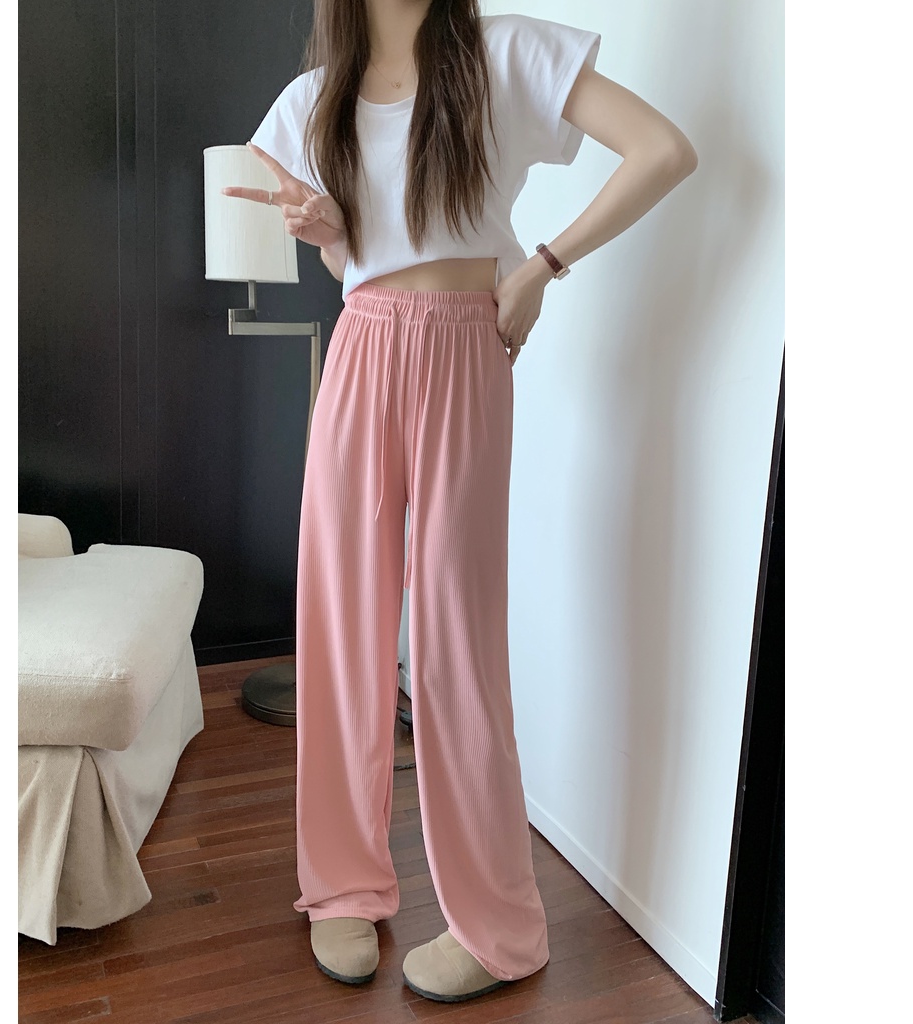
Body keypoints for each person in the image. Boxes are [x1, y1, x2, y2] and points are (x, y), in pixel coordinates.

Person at [222, 0, 696, 1004]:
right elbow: (349, 266)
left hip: (464, 350)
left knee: (454, 639)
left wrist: (543, 266)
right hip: (362, 348)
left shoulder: (503, 52)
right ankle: (342, 884)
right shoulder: (316, 98)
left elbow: (663, 150)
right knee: (341, 625)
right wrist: (331, 232)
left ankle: (496, 923)